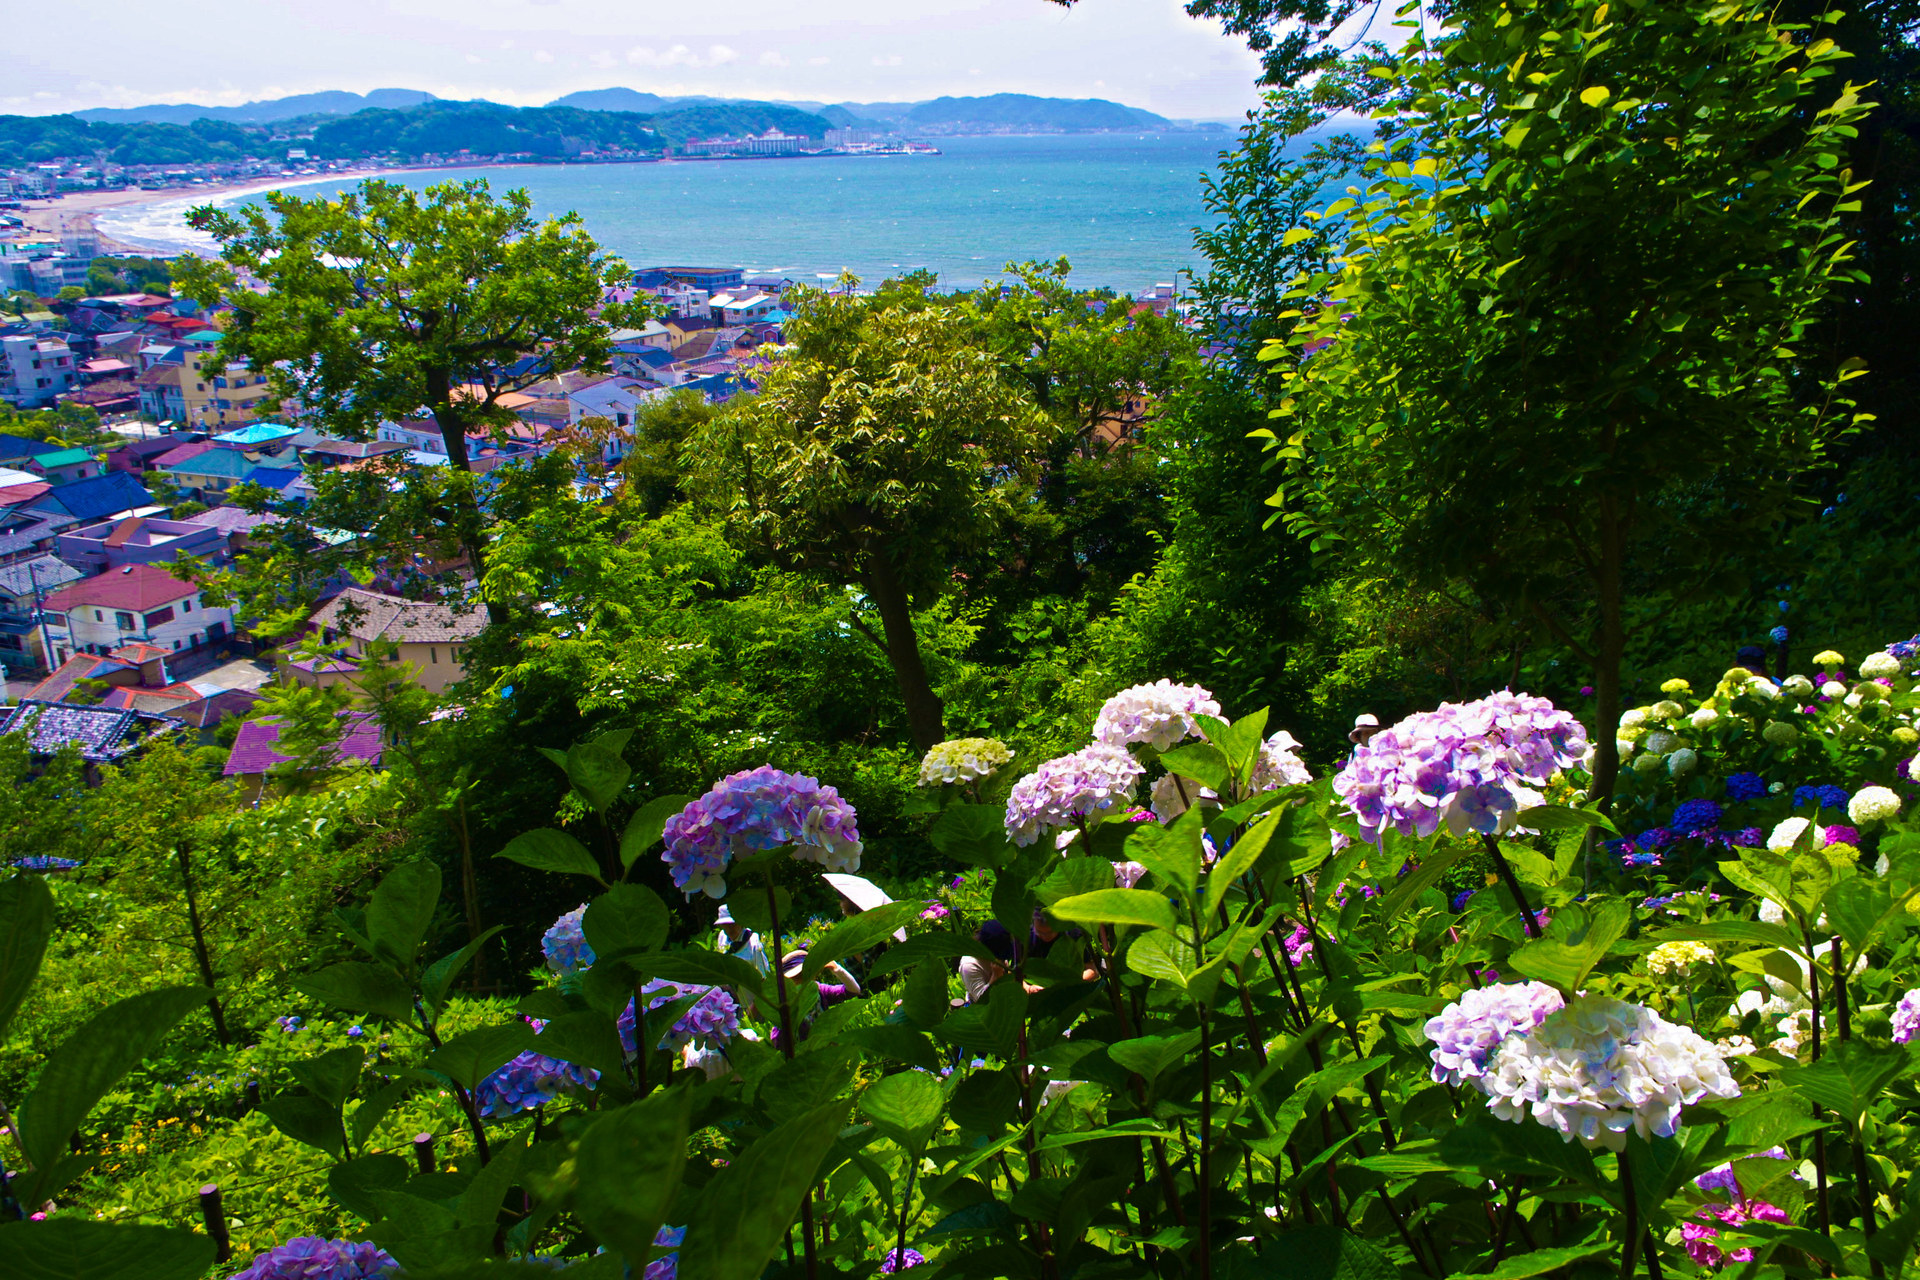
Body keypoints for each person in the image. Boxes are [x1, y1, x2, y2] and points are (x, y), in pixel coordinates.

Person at [714, 905, 770, 976]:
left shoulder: (754, 944)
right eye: (725, 924)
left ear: (741, 922)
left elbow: (764, 975)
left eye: (733, 924)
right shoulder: (722, 936)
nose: (730, 928)